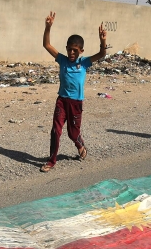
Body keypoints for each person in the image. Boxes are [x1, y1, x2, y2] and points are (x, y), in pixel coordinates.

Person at [40, 12, 108, 172]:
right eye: (70, 50)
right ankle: (51, 160)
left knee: (72, 133)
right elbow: (47, 45)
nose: (72, 53)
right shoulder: (62, 59)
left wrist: (103, 41)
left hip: (76, 104)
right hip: (62, 101)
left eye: (75, 51)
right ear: (66, 49)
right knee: (56, 130)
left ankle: (79, 144)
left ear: (81, 51)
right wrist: (48, 28)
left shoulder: (84, 62)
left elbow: (102, 54)